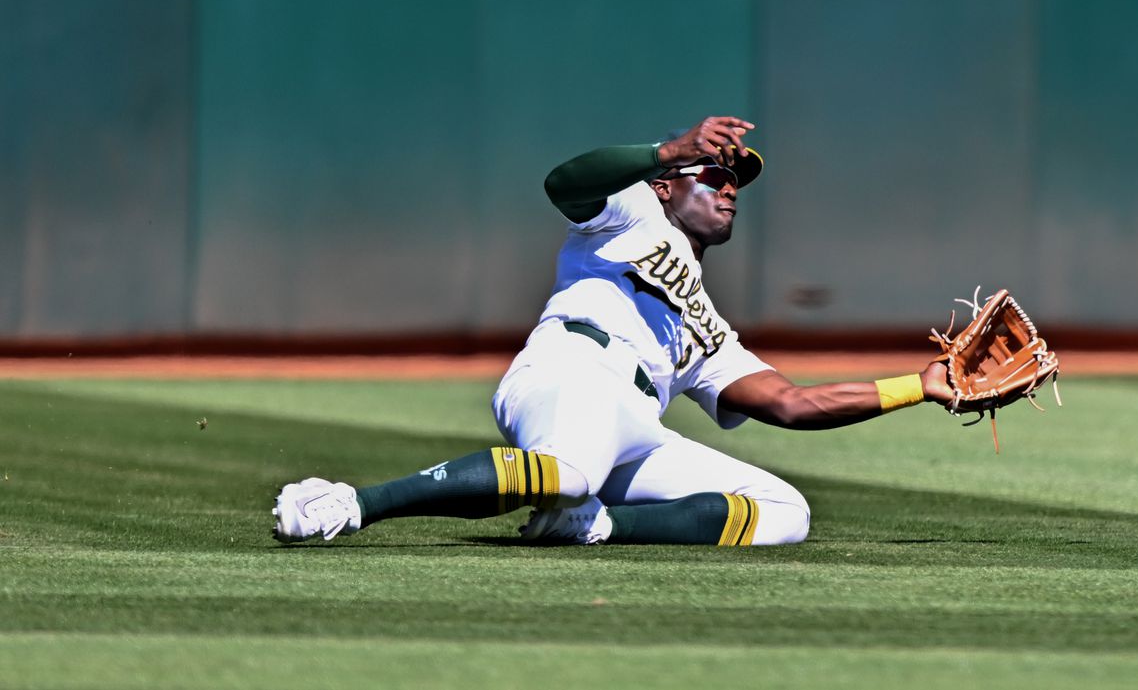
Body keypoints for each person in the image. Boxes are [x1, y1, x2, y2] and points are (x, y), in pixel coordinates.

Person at [273, 116, 954, 546]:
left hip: (634, 425)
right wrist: (668, 150)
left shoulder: (711, 327)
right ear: (666, 185)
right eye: (715, 172)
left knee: (785, 510)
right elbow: (562, 183)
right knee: (569, 471)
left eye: (736, 181)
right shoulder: (632, 210)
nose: (729, 187)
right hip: (571, 370)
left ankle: (595, 523)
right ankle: (352, 503)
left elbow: (791, 402)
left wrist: (919, 386)